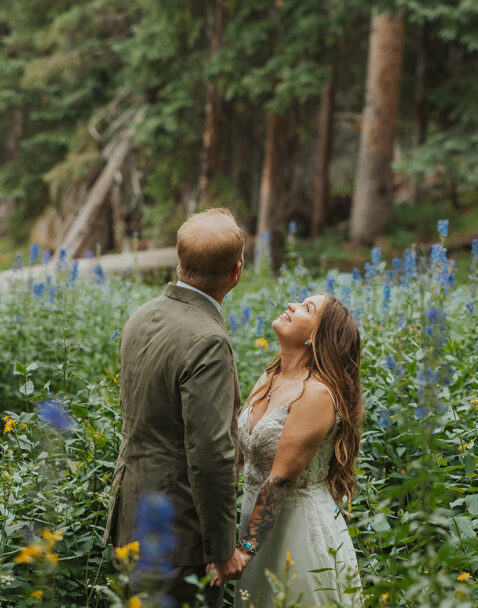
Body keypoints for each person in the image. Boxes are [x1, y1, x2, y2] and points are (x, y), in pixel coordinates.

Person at [104, 207, 245, 607]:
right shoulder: (207, 341)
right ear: (235, 273)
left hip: (129, 517)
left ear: (179, 262)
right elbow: (211, 454)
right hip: (178, 534)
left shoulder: (141, 316)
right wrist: (221, 547)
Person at [218, 293, 363, 608]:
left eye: (306, 308)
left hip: (296, 532)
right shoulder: (271, 377)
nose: (291, 306)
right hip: (256, 526)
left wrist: (244, 550)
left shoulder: (316, 394)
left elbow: (281, 479)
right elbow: (240, 453)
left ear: (316, 337)